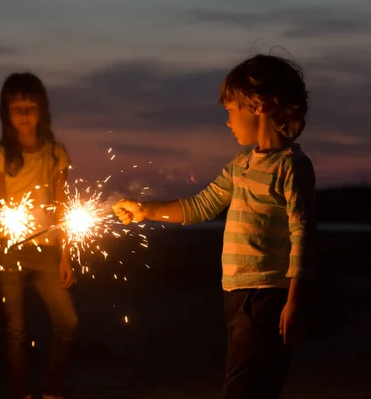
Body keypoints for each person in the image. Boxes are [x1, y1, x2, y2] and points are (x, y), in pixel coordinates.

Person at [112, 54, 316, 399]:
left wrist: (294, 300)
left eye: (231, 110)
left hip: (267, 296)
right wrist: (145, 210)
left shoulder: (291, 167)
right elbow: (199, 206)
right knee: (252, 385)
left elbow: (303, 234)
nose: (228, 121)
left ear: (259, 105)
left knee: (245, 388)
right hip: (236, 294)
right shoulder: (240, 165)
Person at [0, 72, 78, 399]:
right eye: (17, 108)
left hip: (48, 248)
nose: (24, 114)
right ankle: (21, 394)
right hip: (7, 248)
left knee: (68, 322)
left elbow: (62, 206)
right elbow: (0, 206)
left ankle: (52, 392)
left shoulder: (56, 154)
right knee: (16, 330)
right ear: (6, 113)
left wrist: (65, 254)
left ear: (42, 110)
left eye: (30, 107)